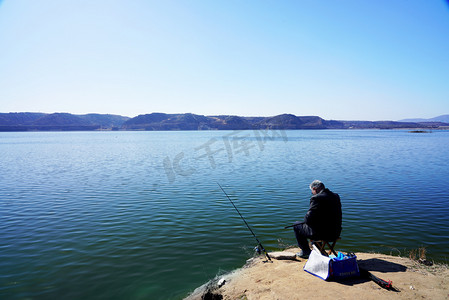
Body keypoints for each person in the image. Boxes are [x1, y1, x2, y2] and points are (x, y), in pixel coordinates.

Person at [293, 180, 342, 258]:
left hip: (322, 234)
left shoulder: (316, 198)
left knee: (296, 225)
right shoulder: (335, 196)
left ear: (314, 189)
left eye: (312, 191)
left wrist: (307, 220)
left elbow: (307, 219)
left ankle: (306, 251)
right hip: (335, 233)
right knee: (312, 225)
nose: (312, 193)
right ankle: (317, 248)